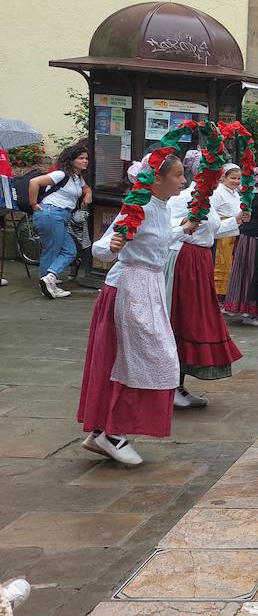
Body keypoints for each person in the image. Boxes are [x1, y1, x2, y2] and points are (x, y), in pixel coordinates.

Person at [77, 154, 187, 466]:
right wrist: (112, 246)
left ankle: (104, 428)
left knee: (132, 359)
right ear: (156, 179)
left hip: (147, 287)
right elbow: (102, 246)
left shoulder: (161, 208)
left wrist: (184, 228)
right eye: (178, 176)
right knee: (144, 359)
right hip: (129, 288)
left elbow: (157, 240)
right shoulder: (137, 207)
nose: (183, 181)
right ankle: (112, 431)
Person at [165, 152, 240, 408]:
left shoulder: (207, 196)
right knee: (181, 320)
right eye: (213, 170)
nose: (217, 175)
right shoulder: (185, 197)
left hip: (199, 260)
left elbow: (212, 230)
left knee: (192, 322)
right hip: (185, 261)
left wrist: (236, 221)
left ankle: (178, 385)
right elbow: (170, 227)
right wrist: (186, 224)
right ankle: (170, 386)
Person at [28, 143, 92, 299]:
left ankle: (48, 279)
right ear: (71, 160)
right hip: (51, 213)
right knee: (53, 249)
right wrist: (33, 203)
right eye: (81, 158)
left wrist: (88, 194)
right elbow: (34, 182)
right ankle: (48, 282)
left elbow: (86, 188)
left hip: (60, 215)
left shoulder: (77, 178)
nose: (85, 161)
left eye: (86, 158)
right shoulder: (61, 174)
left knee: (69, 250)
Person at [224, 168, 258, 326]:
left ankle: (242, 307)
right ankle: (253, 312)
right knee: (256, 272)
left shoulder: (247, 195)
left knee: (244, 271)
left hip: (245, 237)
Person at [211, 164, 248, 302]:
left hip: (235, 230)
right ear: (223, 177)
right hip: (222, 232)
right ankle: (218, 297)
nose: (237, 182)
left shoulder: (236, 192)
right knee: (221, 265)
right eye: (233, 178)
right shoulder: (218, 193)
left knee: (231, 265)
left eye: (239, 179)